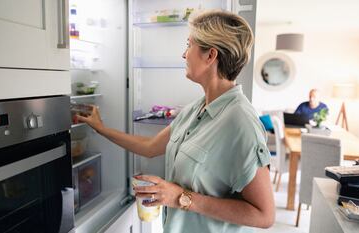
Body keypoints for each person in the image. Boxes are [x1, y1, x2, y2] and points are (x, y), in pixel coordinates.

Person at [77, 10, 275, 233]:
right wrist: (101, 128)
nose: (184, 54)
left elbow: (264, 215)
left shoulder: (240, 122)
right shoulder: (196, 108)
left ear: (210, 56)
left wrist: (180, 197)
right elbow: (150, 147)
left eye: (189, 45)